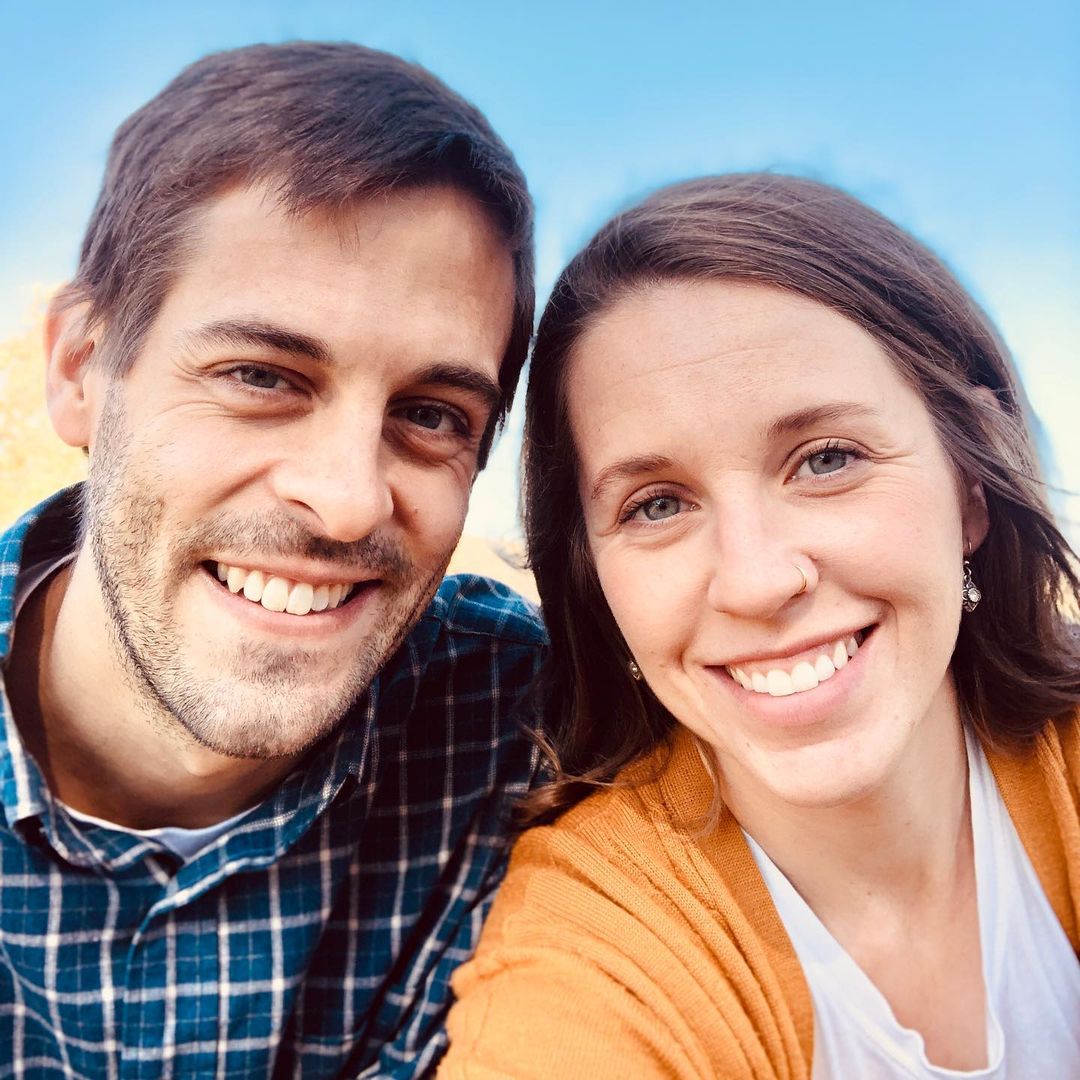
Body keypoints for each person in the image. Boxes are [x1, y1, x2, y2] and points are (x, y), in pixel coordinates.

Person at [441, 174, 1080, 1078]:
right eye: (657, 504)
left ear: (970, 488)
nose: (756, 581)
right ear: (595, 584)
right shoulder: (597, 944)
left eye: (827, 459)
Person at [0, 42, 544, 1077]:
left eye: (432, 414)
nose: (347, 500)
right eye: (261, 375)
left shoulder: (523, 733)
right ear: (80, 370)